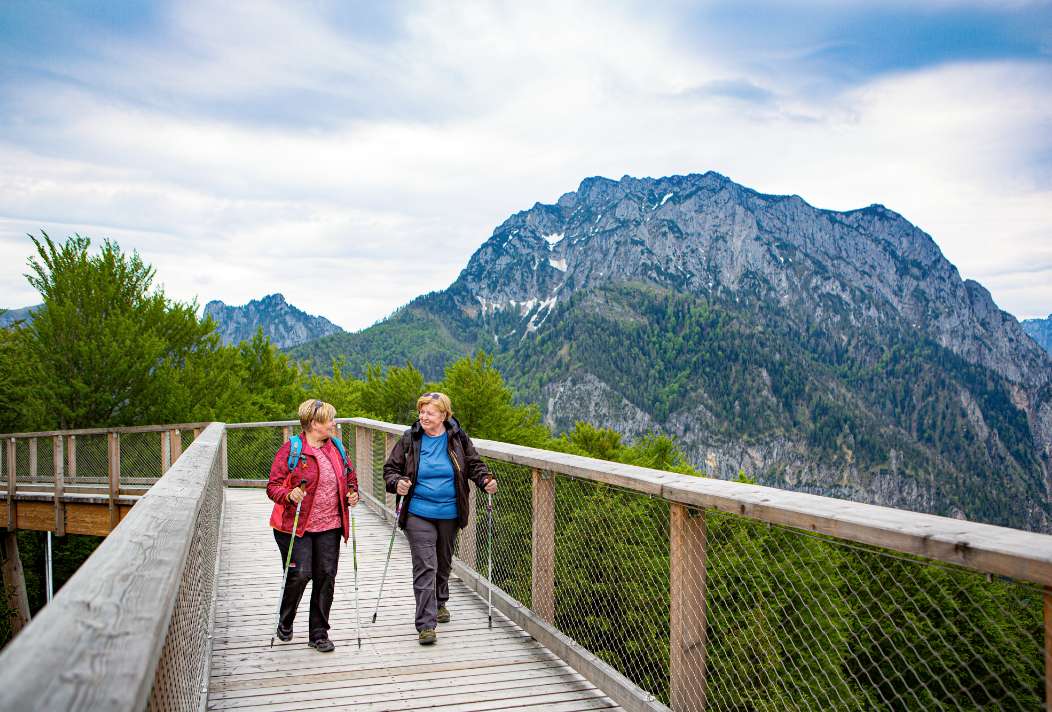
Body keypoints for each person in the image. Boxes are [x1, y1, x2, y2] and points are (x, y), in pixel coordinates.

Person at [383, 391, 497, 645]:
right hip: (418, 511)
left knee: (443, 561)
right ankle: (426, 625)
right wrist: (397, 482)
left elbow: (474, 464)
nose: (423, 417)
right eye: (421, 412)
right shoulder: (410, 438)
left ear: (444, 415)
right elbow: (390, 469)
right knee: (425, 565)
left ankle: (440, 600)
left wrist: (485, 480)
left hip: (450, 512)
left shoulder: (457, 437)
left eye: (430, 413)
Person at [267, 399, 359, 652]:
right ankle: (286, 619)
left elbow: (350, 477)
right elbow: (273, 486)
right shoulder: (291, 449)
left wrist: (352, 493)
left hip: (330, 524)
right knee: (300, 574)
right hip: (295, 526)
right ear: (314, 423)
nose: (334, 423)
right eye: (329, 420)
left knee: (326, 576)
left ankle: (319, 634)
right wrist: (289, 495)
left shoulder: (337, 448)